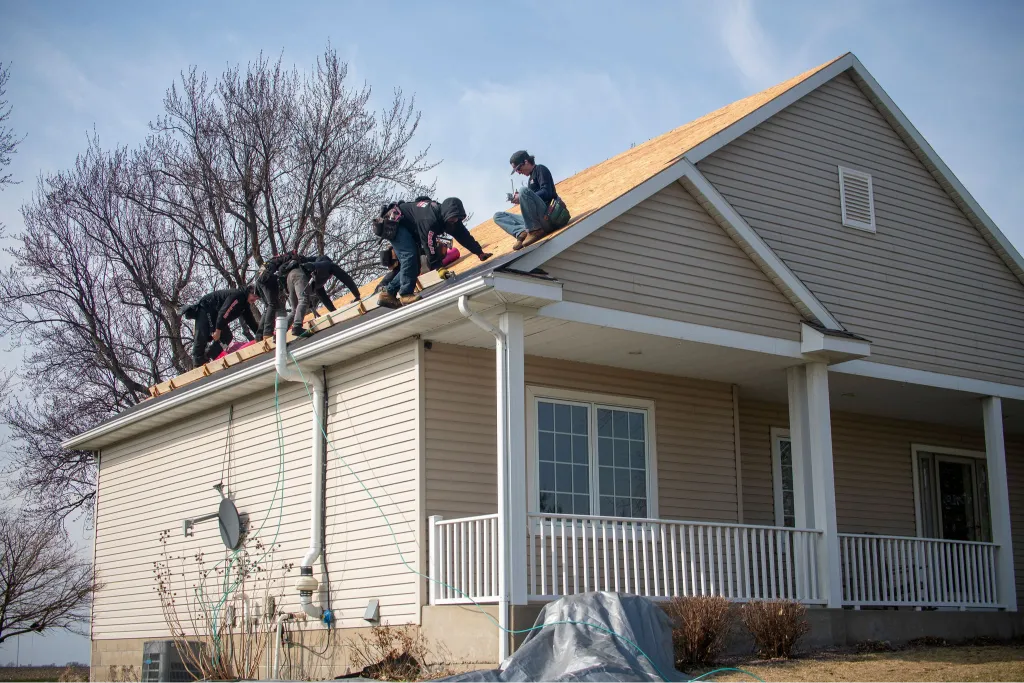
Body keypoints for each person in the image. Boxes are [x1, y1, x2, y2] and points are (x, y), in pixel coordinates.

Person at [493, 150, 558, 250]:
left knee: (523, 190)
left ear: (526, 162)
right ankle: (522, 233)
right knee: (498, 216)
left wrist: (524, 195)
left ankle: (535, 231)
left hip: (548, 217)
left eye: (519, 168)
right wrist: (522, 199)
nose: (519, 172)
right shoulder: (530, 179)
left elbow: (547, 192)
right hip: (537, 219)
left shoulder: (540, 169)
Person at [184, 285, 260, 366]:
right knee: (202, 335)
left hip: (217, 316)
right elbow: (223, 313)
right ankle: (197, 363)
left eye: (257, 298)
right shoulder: (238, 295)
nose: (254, 300)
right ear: (249, 292)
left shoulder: (244, 304)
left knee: (227, 337)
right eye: (254, 296)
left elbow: (250, 321)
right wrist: (217, 331)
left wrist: (260, 335)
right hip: (206, 309)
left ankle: (208, 356)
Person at [374, 204, 420, 309]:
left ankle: (388, 293)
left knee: (413, 267)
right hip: (393, 224)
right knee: (409, 258)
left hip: (393, 225)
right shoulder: (393, 272)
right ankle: (405, 294)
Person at [255, 251, 297, 340]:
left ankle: (259, 335)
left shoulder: (272, 260)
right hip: (267, 277)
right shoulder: (288, 258)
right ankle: (267, 332)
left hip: (258, 278)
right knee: (272, 304)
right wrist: (285, 288)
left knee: (268, 306)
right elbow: (282, 269)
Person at [438, 197, 492, 262]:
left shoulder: (454, 222)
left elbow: (464, 237)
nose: (455, 221)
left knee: (442, 248)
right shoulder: (431, 218)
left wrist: (479, 253)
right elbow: (427, 241)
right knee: (435, 246)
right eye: (452, 220)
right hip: (424, 239)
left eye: (456, 219)